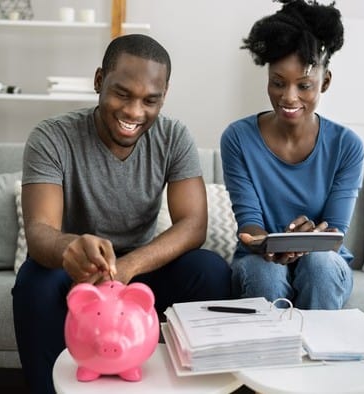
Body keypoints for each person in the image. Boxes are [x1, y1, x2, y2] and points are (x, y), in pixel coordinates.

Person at [12, 34, 232, 394]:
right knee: (34, 283)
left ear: (164, 95)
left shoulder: (173, 136)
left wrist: (128, 268)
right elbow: (39, 232)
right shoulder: (52, 136)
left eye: (150, 100)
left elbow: (194, 225)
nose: (134, 112)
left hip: (142, 271)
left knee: (209, 270)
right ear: (99, 81)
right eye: (122, 94)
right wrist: (71, 248)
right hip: (75, 269)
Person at [220, 0, 364, 310]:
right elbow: (250, 225)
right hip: (259, 261)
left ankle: (322, 355)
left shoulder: (347, 146)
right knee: (267, 275)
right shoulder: (238, 138)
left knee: (320, 266)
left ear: (324, 82)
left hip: (324, 263)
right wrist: (267, 245)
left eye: (304, 85)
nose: (289, 97)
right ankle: (272, 357)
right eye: (278, 83)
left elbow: (335, 230)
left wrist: (311, 239)